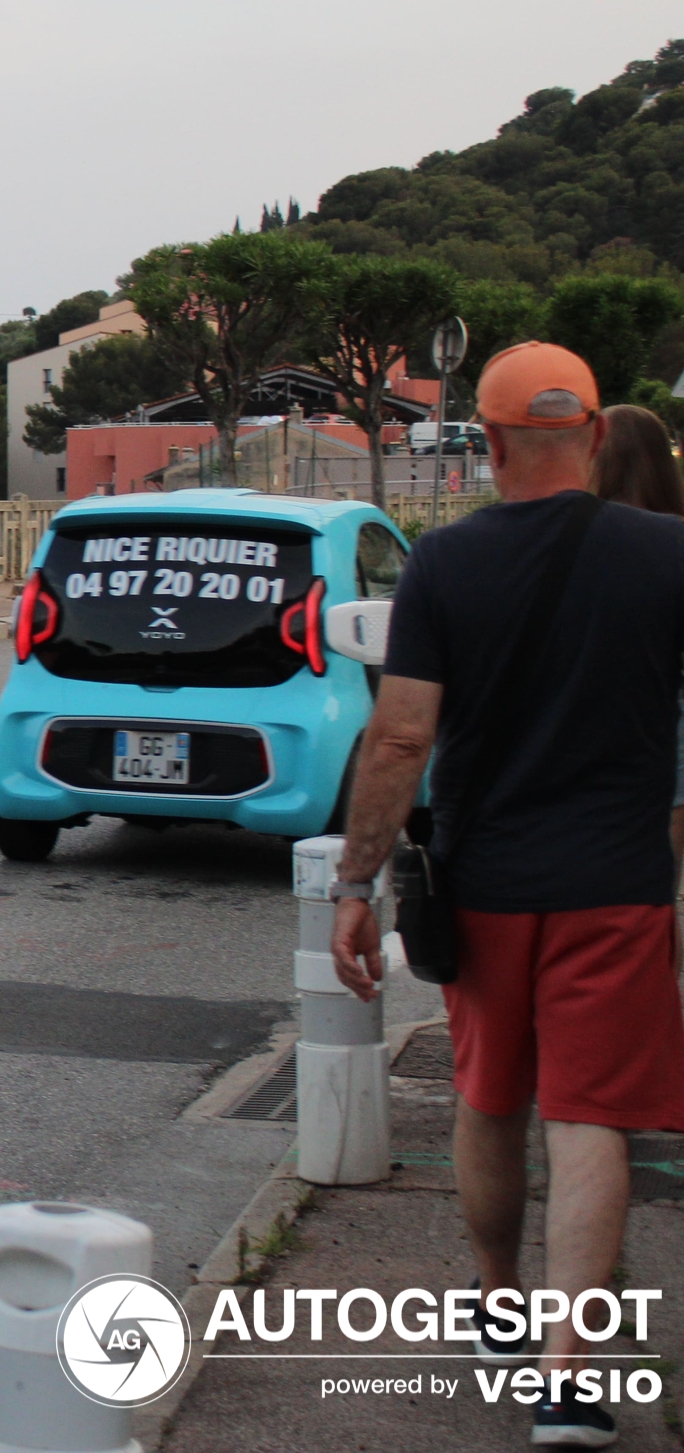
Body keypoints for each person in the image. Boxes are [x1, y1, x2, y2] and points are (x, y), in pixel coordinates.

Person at [333, 344, 684, 1450]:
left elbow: (398, 737)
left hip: (483, 880)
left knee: (488, 1098)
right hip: (617, 885)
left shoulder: (441, 565)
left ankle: (495, 1303)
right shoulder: (669, 554)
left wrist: (353, 884)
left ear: (482, 444)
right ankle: (568, 1378)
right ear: (590, 431)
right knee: (589, 1119)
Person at [587, 406, 684, 871]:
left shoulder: (579, 543)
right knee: (657, 896)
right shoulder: (676, 544)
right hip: (672, 743)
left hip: (601, 743)